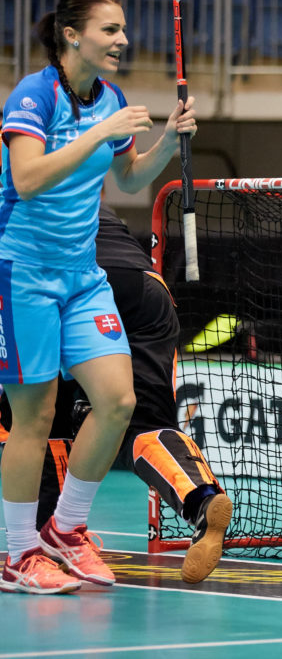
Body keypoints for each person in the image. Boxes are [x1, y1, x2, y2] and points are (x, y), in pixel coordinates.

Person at [0, 0, 197, 594]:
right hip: (22, 275)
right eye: (110, 30)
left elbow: (130, 175)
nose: (123, 41)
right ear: (71, 35)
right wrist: (98, 132)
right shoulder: (36, 95)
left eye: (123, 29)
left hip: (82, 277)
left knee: (116, 401)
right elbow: (27, 178)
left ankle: (66, 530)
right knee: (33, 418)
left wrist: (167, 139)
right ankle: (15, 552)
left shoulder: (111, 96)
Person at [0, 204, 233, 584]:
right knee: (138, 417)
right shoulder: (83, 190)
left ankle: (40, 540)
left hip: (56, 288)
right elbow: (131, 172)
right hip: (144, 289)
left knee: (35, 417)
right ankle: (200, 498)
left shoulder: (18, 195)